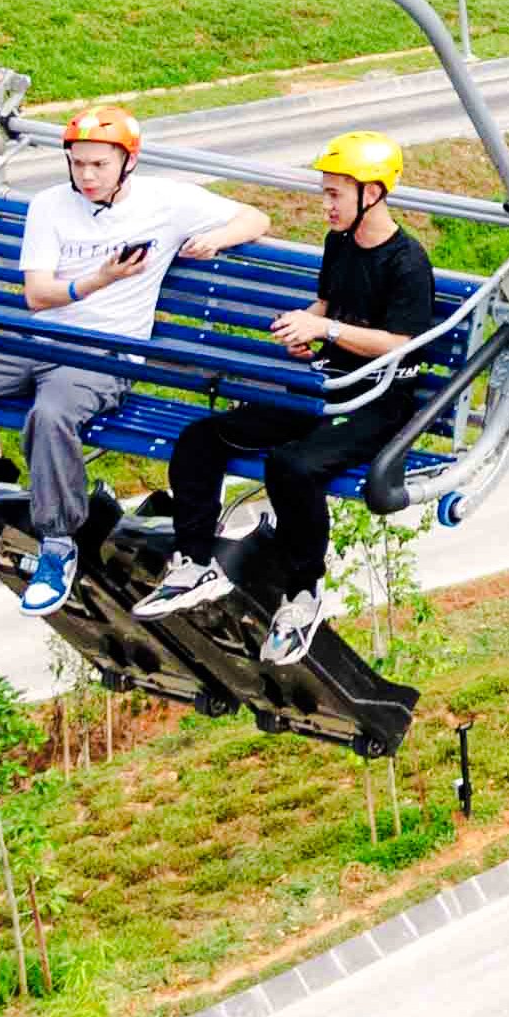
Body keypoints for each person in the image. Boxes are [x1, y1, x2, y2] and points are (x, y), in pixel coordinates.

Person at [0, 103, 239, 614]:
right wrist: (99, 279)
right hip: (36, 336)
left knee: (50, 417)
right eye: (78, 164)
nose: (87, 175)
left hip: (106, 351)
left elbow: (255, 216)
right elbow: (37, 296)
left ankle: (58, 544)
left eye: (99, 165)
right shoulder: (51, 206)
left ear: (129, 162)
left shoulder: (166, 202)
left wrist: (215, 238)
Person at [135, 133, 447, 664]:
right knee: (201, 439)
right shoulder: (340, 243)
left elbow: (400, 344)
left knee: (292, 467)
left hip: (377, 400)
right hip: (322, 385)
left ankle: (303, 594)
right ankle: (194, 561)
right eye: (325, 193)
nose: (325, 204)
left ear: (371, 194)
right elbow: (327, 303)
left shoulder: (406, 262)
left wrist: (323, 327)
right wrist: (307, 331)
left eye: (334, 195)